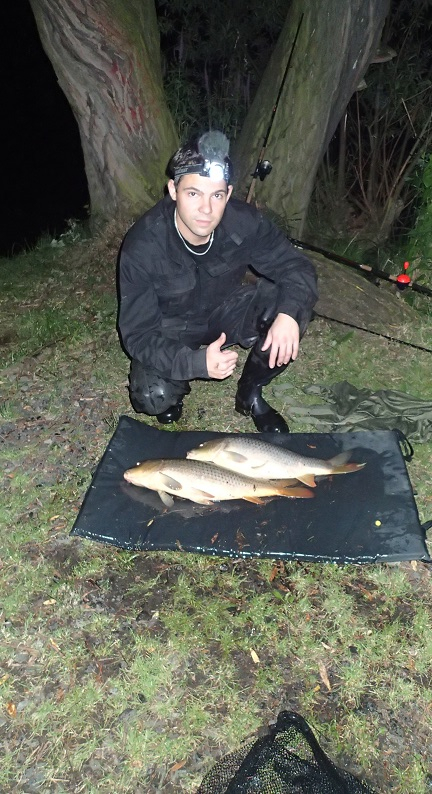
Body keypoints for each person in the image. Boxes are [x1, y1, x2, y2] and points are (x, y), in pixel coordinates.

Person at [117, 131, 318, 433]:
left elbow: (296, 267)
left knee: (292, 305)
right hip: (173, 327)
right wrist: (197, 364)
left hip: (227, 310)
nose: (206, 209)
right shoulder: (142, 246)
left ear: (229, 193)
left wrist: (289, 314)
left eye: (217, 195)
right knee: (152, 394)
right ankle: (174, 391)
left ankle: (250, 393)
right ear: (173, 190)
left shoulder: (244, 221)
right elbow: (138, 334)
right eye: (193, 194)